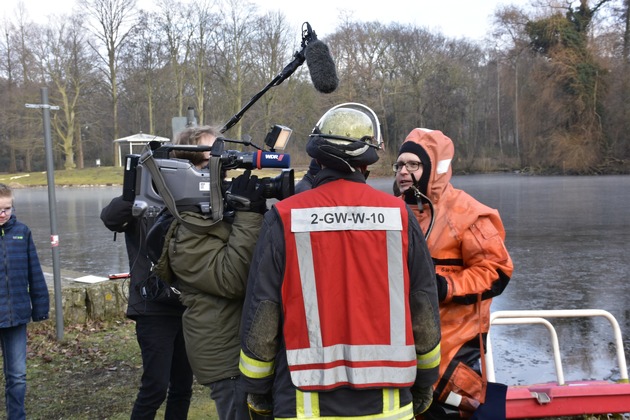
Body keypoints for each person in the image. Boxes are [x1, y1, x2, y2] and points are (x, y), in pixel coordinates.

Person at [239, 103, 442, 419]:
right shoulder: (399, 217)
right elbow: (423, 308)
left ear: (317, 160)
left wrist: (257, 388)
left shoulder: (284, 217)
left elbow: (264, 311)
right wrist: (426, 381)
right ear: (366, 164)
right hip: (389, 408)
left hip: (304, 406)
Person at [393, 128, 514, 419]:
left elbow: (496, 271)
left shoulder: (468, 213)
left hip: (452, 355)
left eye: (413, 164)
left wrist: (445, 286)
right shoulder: (390, 213)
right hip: (402, 356)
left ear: (434, 168)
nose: (403, 171)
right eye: (399, 165)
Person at [151, 125, 267, 420]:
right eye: (208, 163)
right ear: (183, 171)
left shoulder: (217, 216)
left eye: (223, 162)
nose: (221, 172)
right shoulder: (185, 233)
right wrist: (250, 215)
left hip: (243, 349)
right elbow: (234, 279)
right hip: (226, 359)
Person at [100, 196, 194, 416]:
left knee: (182, 387)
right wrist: (134, 188)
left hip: (189, 305)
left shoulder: (191, 193)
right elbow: (110, 218)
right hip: (152, 308)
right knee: (155, 388)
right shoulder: (141, 198)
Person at [0, 183, 50, 420]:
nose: (2, 214)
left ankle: (16, 417)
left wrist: (40, 307)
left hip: (16, 315)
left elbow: (35, 272)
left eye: (6, 209)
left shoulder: (22, 232)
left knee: (17, 375)